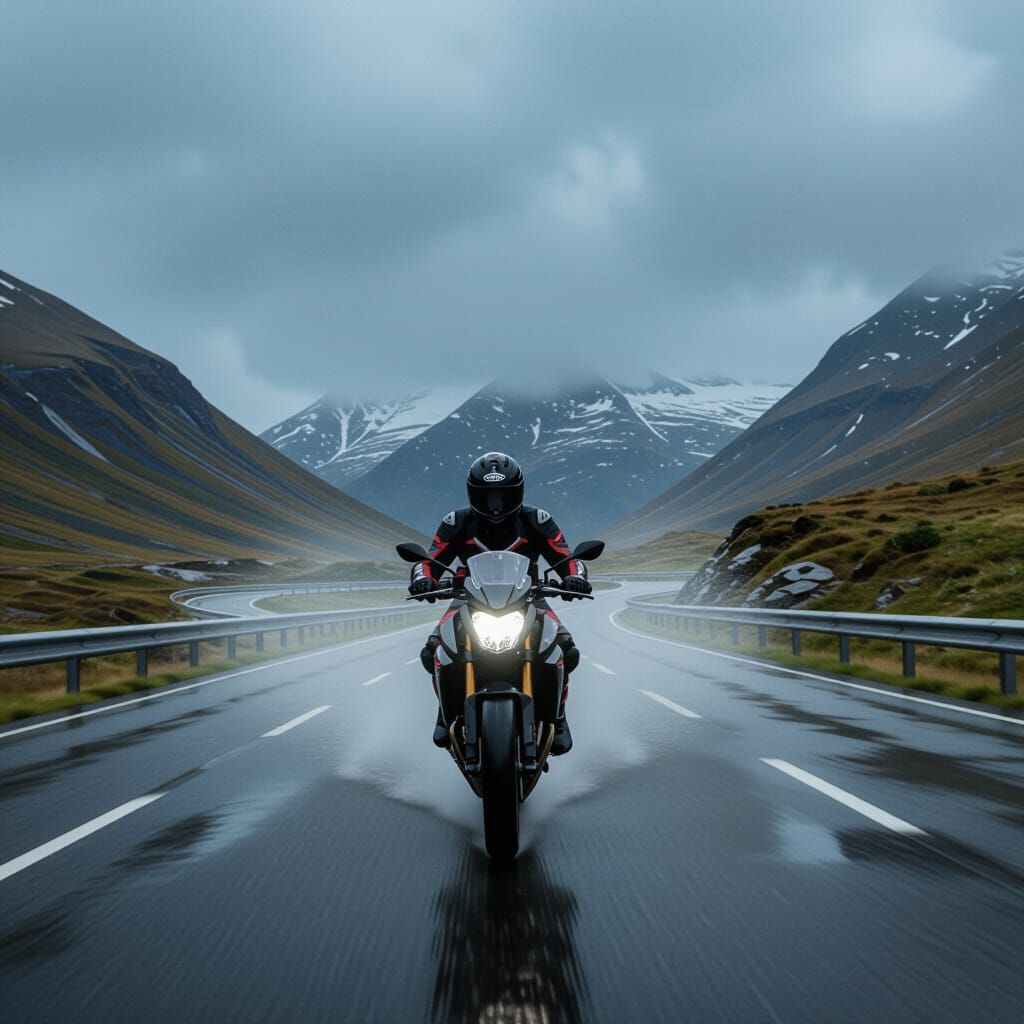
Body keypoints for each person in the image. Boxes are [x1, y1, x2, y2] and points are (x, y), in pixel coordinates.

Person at [411, 452, 592, 755]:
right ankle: (445, 712)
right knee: (432, 651)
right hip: (466, 597)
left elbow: (567, 557)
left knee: (565, 648)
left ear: (517, 493)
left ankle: (559, 718)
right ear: (473, 495)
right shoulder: (455, 522)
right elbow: (429, 560)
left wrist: (576, 578)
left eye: (503, 496)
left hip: (530, 597)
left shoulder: (537, 520)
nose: (496, 505)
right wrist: (423, 579)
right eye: (488, 496)